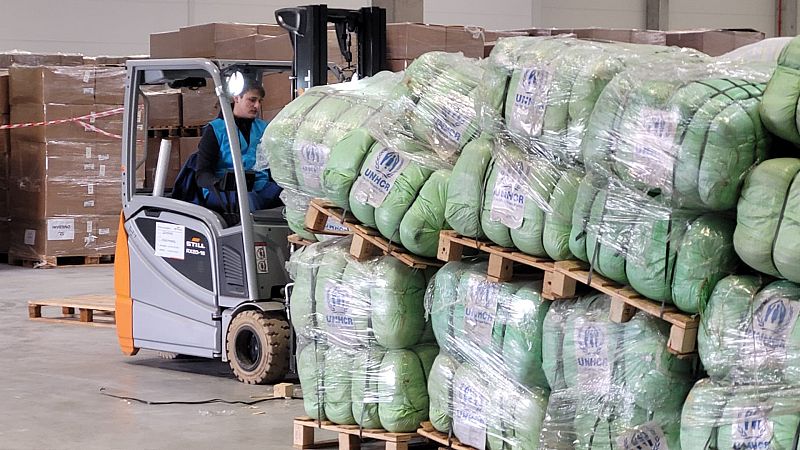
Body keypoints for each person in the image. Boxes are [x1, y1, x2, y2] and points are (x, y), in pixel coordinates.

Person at [194, 78, 282, 213]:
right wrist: (218, 182)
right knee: (248, 201)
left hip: (260, 186)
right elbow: (202, 173)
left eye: (259, 101)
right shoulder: (216, 129)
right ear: (236, 98)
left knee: (291, 198)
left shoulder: (264, 128)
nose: (257, 106)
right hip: (225, 190)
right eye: (252, 100)